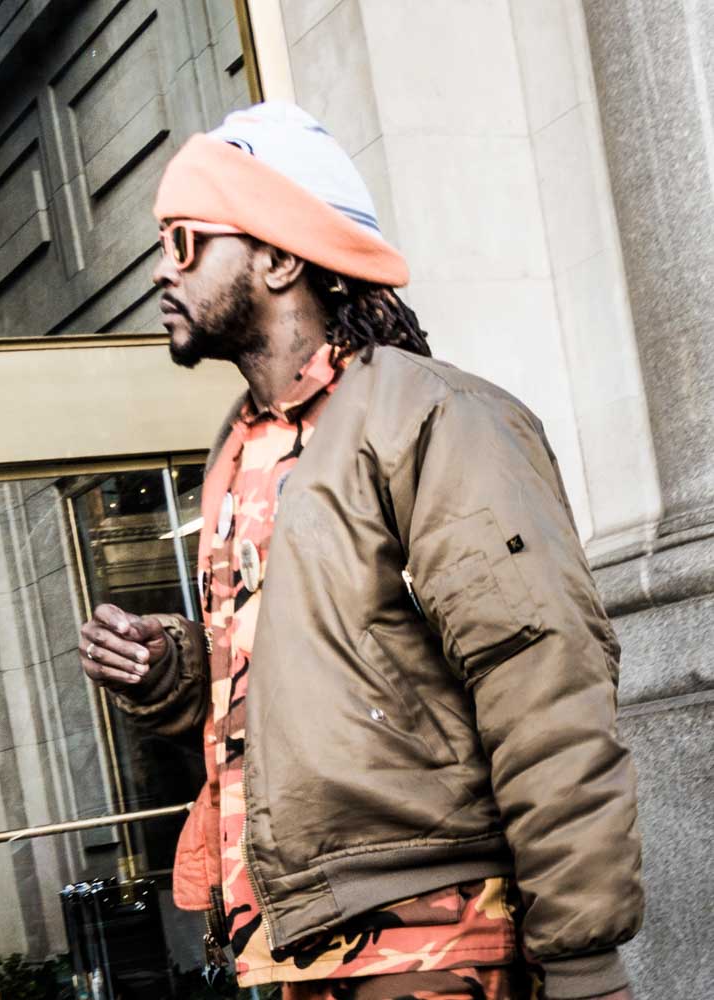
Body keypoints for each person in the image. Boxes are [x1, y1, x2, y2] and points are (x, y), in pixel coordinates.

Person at [78, 102, 642, 1000]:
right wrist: (179, 675)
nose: (161, 268)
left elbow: (542, 679)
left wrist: (583, 957)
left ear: (279, 253)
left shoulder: (433, 418)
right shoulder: (241, 446)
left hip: (430, 938)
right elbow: (335, 678)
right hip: (294, 944)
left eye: (187, 240)